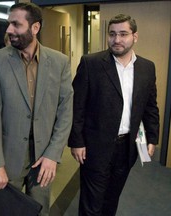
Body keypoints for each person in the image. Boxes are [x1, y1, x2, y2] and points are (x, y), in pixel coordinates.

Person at [0, 2, 73, 215]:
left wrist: (53, 154)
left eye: (16, 24)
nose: (9, 30)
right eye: (8, 24)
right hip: (9, 155)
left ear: (35, 28)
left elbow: (65, 111)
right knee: (8, 210)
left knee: (40, 209)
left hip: (44, 155)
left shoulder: (59, 62)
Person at [68, 14, 159, 216]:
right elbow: (77, 105)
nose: (116, 40)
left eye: (123, 34)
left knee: (112, 199)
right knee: (91, 203)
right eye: (112, 34)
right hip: (95, 147)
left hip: (127, 147)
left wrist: (152, 137)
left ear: (135, 37)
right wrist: (77, 141)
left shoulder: (147, 67)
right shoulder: (91, 63)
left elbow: (150, 106)